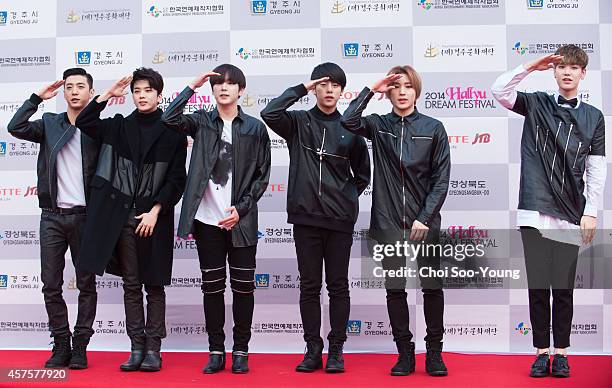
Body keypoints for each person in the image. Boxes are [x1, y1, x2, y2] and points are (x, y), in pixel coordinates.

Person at [491, 45, 606, 378]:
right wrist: (530, 65)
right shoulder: (537, 103)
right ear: (554, 72)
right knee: (539, 287)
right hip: (534, 210)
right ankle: (541, 352)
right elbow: (499, 90)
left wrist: (591, 211)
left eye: (574, 67)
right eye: (561, 67)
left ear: (583, 73)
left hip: (570, 213)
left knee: (563, 288)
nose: (567, 72)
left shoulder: (594, 117)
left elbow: (596, 169)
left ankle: (563, 352)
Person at [341, 65, 451, 377]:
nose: (402, 92)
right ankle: (404, 353)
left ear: (417, 91)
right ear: (389, 93)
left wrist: (424, 218)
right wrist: (372, 90)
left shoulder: (433, 128)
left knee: (432, 288)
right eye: (396, 87)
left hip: (424, 225)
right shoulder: (378, 125)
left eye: (408, 87)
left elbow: (441, 181)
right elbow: (348, 121)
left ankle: (434, 353)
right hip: (388, 221)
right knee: (395, 289)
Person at [261, 62, 370, 373]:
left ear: (342, 90)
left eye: (335, 84)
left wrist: (345, 198)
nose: (330, 89)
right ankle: (312, 349)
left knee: (337, 286)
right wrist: (301, 89)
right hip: (306, 218)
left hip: (339, 222)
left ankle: (336, 350)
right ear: (315, 88)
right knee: (309, 286)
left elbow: (363, 174)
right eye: (323, 84)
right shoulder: (298, 122)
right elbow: (270, 113)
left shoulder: (351, 127)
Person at [161, 64, 271, 374]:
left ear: (241, 90)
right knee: (211, 287)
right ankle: (215, 350)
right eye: (219, 83)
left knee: (243, 288)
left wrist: (243, 208)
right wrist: (191, 87)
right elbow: (169, 119)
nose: (224, 88)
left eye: (231, 83)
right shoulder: (200, 123)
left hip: (241, 220)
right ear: (213, 90)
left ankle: (241, 350)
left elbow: (262, 175)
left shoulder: (255, 128)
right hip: (207, 220)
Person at [76, 68, 187, 372]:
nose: (141, 96)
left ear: (159, 95)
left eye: (148, 90)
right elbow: (84, 121)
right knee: (131, 285)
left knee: (154, 286)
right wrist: (108, 94)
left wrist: (156, 210)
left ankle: (154, 349)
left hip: (154, 218)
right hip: (121, 218)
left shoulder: (173, 131)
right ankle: (136, 347)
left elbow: (177, 179)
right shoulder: (118, 127)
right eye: (137, 91)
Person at [7, 68, 100, 369]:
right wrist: (36, 98)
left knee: (87, 284)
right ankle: (61, 345)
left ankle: (81, 347)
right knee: (51, 284)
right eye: (69, 87)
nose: (74, 91)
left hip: (85, 218)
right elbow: (15, 126)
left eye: (80, 86)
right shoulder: (50, 124)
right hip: (52, 217)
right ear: (63, 92)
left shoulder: (98, 128)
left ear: (90, 91)